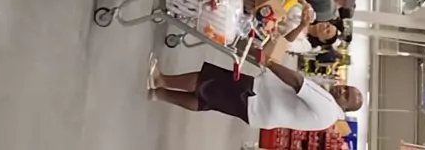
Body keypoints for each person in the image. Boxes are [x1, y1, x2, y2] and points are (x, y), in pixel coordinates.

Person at [146, 55, 363, 128]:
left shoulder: (328, 104)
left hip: (255, 98)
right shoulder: (328, 117)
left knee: (206, 82)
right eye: (346, 88)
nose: (341, 90)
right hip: (259, 110)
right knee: (207, 101)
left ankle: (160, 80)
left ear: (346, 108)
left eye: (346, 96)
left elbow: (299, 82)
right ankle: (159, 94)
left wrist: (271, 62)